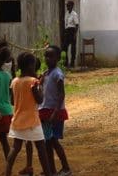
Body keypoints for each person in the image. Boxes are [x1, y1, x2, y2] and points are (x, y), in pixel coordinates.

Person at [5, 53, 53, 176]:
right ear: (31, 66)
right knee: (41, 149)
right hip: (32, 121)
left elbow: (12, 101)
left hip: (18, 121)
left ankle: (7, 172)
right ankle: (48, 173)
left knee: (15, 148)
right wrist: (39, 85)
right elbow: (40, 100)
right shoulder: (34, 81)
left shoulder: (15, 81)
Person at [40, 46, 71, 176]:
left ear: (57, 58)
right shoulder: (46, 73)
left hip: (55, 112)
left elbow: (61, 94)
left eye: (50, 56)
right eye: (46, 56)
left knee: (53, 141)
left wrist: (56, 112)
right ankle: (51, 170)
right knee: (47, 142)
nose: (47, 58)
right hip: (46, 110)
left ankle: (66, 168)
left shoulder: (57, 74)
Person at [63, 1, 79, 68]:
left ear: (72, 6)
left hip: (72, 31)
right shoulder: (66, 13)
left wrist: (75, 34)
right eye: (67, 5)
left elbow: (77, 25)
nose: (67, 7)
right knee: (64, 47)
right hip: (67, 31)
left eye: (69, 5)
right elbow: (65, 23)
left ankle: (72, 63)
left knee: (73, 49)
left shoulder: (74, 14)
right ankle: (66, 63)